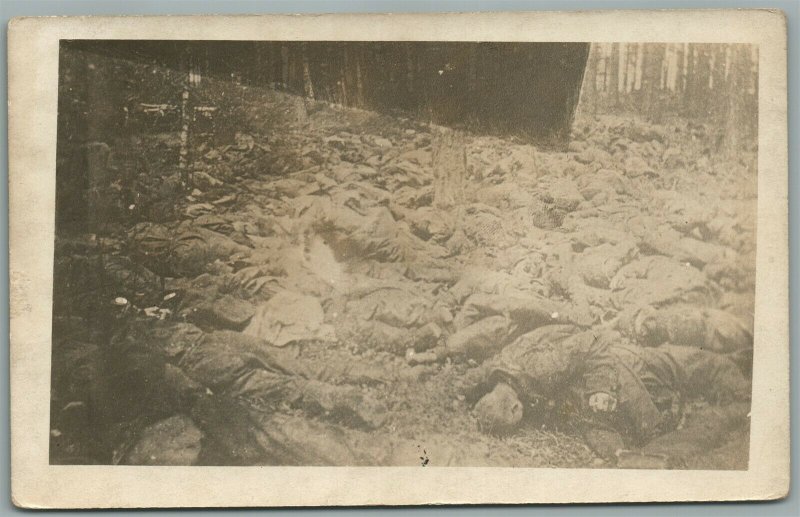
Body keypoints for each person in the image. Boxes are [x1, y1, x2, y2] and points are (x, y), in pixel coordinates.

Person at [465, 324, 751, 465]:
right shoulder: (496, 373)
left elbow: (596, 343)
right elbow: (471, 381)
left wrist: (600, 387)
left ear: (515, 409)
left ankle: (747, 380)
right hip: (587, 394)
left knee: (698, 365)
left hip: (623, 361)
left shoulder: (543, 367)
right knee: (601, 426)